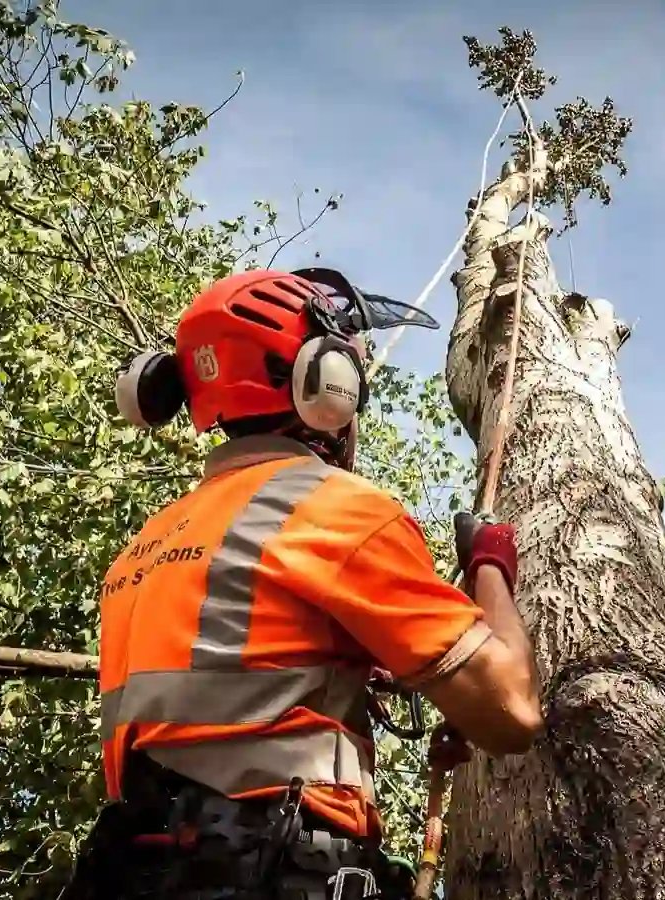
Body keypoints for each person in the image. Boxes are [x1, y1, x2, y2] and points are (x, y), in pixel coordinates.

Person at [67, 268, 542, 899]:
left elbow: (233, 679)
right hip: (269, 868)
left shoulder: (143, 549)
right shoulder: (337, 509)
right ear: (327, 384)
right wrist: (490, 566)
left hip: (130, 870)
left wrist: (362, 664)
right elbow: (512, 712)